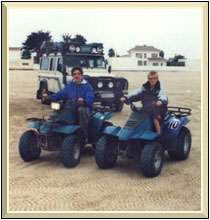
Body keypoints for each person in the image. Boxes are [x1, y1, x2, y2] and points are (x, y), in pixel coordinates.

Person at [42, 66, 94, 139]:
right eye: (74, 74)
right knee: (58, 108)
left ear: (81, 75)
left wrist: (84, 101)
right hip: (71, 106)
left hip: (84, 107)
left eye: (78, 74)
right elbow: (61, 94)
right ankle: (51, 129)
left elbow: (90, 99)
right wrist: (50, 96)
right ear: (72, 76)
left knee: (81, 110)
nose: (76, 76)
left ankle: (83, 134)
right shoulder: (70, 85)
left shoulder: (87, 87)